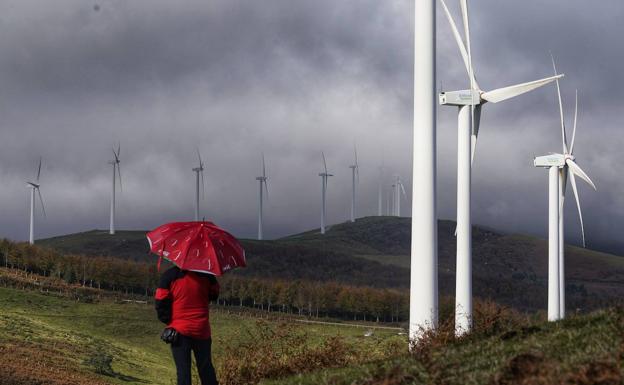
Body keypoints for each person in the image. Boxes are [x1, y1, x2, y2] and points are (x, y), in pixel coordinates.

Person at [155, 266, 220, 385]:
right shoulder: (208, 276)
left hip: (179, 331)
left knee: (183, 372)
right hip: (202, 331)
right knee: (206, 369)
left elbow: (160, 300)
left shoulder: (169, 275)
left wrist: (168, 321)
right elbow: (215, 294)